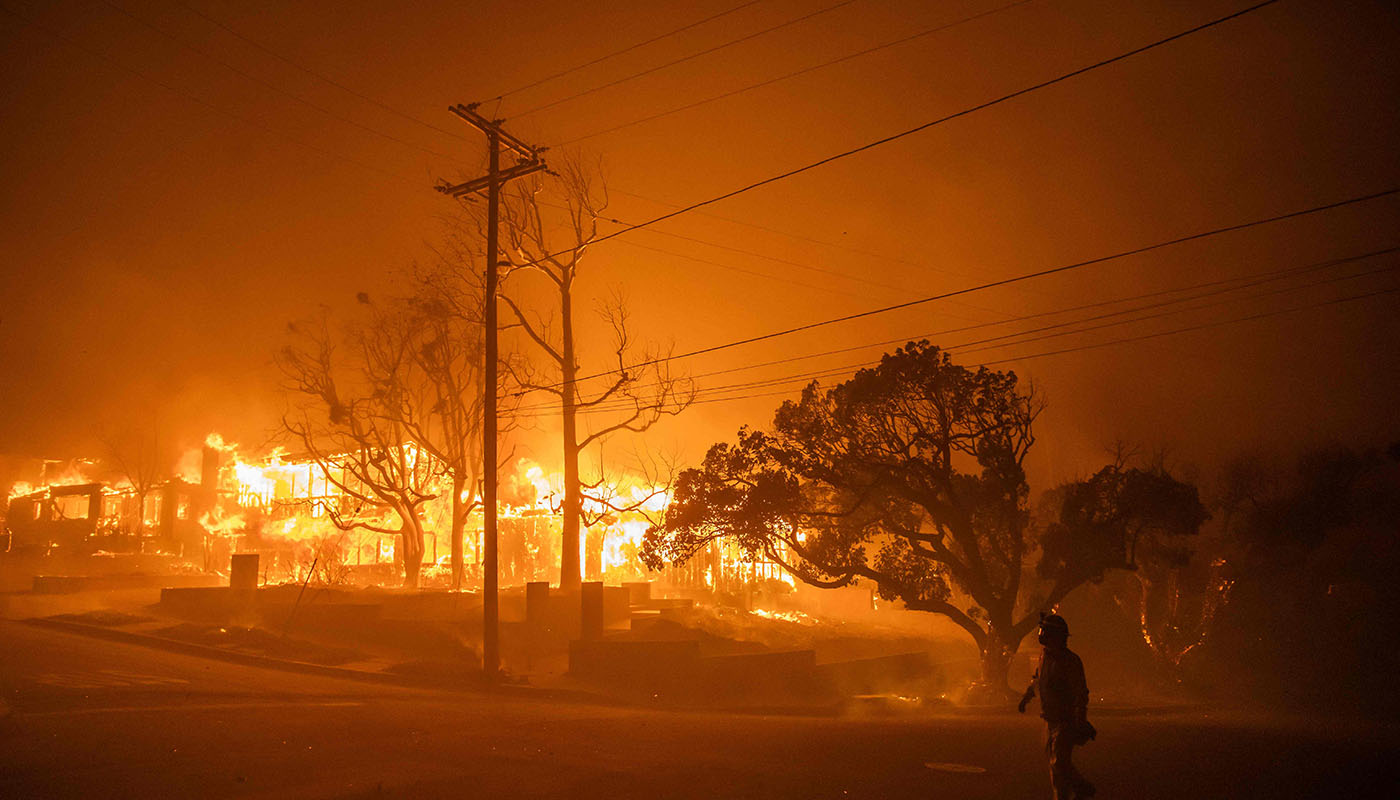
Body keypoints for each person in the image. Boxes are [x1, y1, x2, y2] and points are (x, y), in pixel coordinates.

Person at [1018, 613, 1096, 799]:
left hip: (1064, 721)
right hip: (1049, 720)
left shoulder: (1070, 661)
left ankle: (1082, 788)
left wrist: (1080, 719)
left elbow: (1080, 693)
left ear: (1055, 635)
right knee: (1056, 770)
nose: (1041, 634)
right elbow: (1038, 679)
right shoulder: (1044, 655)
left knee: (1059, 763)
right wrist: (1027, 697)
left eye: (1045, 630)